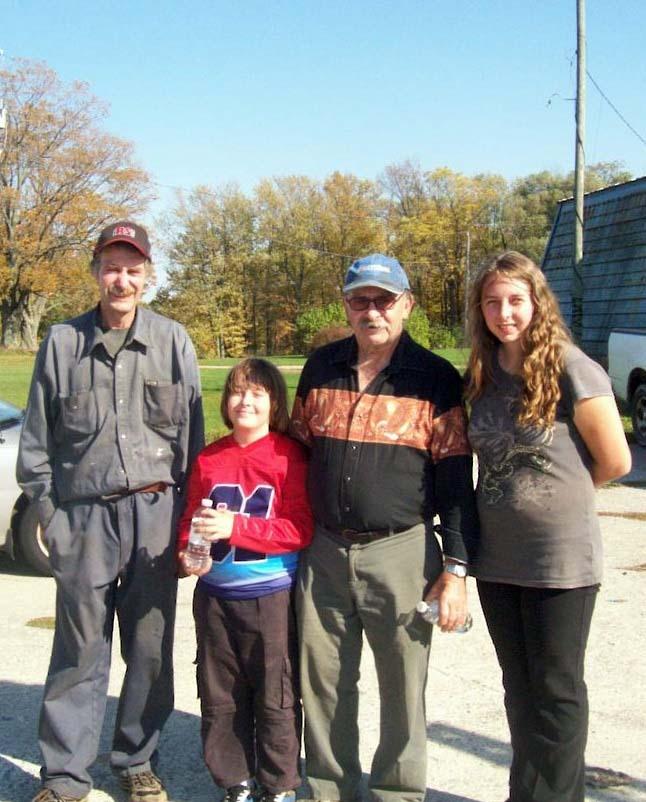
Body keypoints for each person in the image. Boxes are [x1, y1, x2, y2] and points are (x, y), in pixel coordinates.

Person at [17, 221, 205, 802]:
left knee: (149, 647)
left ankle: (135, 758)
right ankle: (66, 774)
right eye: (111, 267)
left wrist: (185, 525)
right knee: (78, 649)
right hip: (84, 519)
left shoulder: (174, 342)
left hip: (155, 515)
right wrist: (53, 517)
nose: (121, 279)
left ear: (148, 276)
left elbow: (194, 448)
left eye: (132, 268)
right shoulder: (62, 343)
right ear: (96, 272)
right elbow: (36, 445)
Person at [290, 254, 479, 802]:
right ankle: (329, 790)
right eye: (360, 300)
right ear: (346, 304)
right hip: (323, 551)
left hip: (401, 551)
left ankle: (396, 793)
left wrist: (456, 570)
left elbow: (455, 483)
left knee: (402, 690)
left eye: (384, 300)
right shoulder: (320, 367)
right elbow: (296, 455)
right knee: (323, 685)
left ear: (407, 305)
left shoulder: (435, 378)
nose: (372, 311)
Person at [465, 251, 632, 802]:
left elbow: (615, 462)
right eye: (492, 302)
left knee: (556, 691)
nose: (504, 312)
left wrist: (559, 499)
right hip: (497, 559)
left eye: (515, 300)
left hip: (559, 560)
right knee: (519, 689)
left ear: (537, 303)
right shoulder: (484, 373)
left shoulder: (571, 366)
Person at [177, 358, 314, 802]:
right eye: (237, 391)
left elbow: (299, 529)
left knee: (275, 693)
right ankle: (234, 779)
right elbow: (191, 518)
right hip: (215, 594)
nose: (246, 401)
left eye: (257, 393)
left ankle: (279, 784)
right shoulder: (209, 457)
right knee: (221, 694)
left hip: (269, 594)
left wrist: (237, 528)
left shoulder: (288, 455)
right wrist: (186, 551)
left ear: (274, 401)